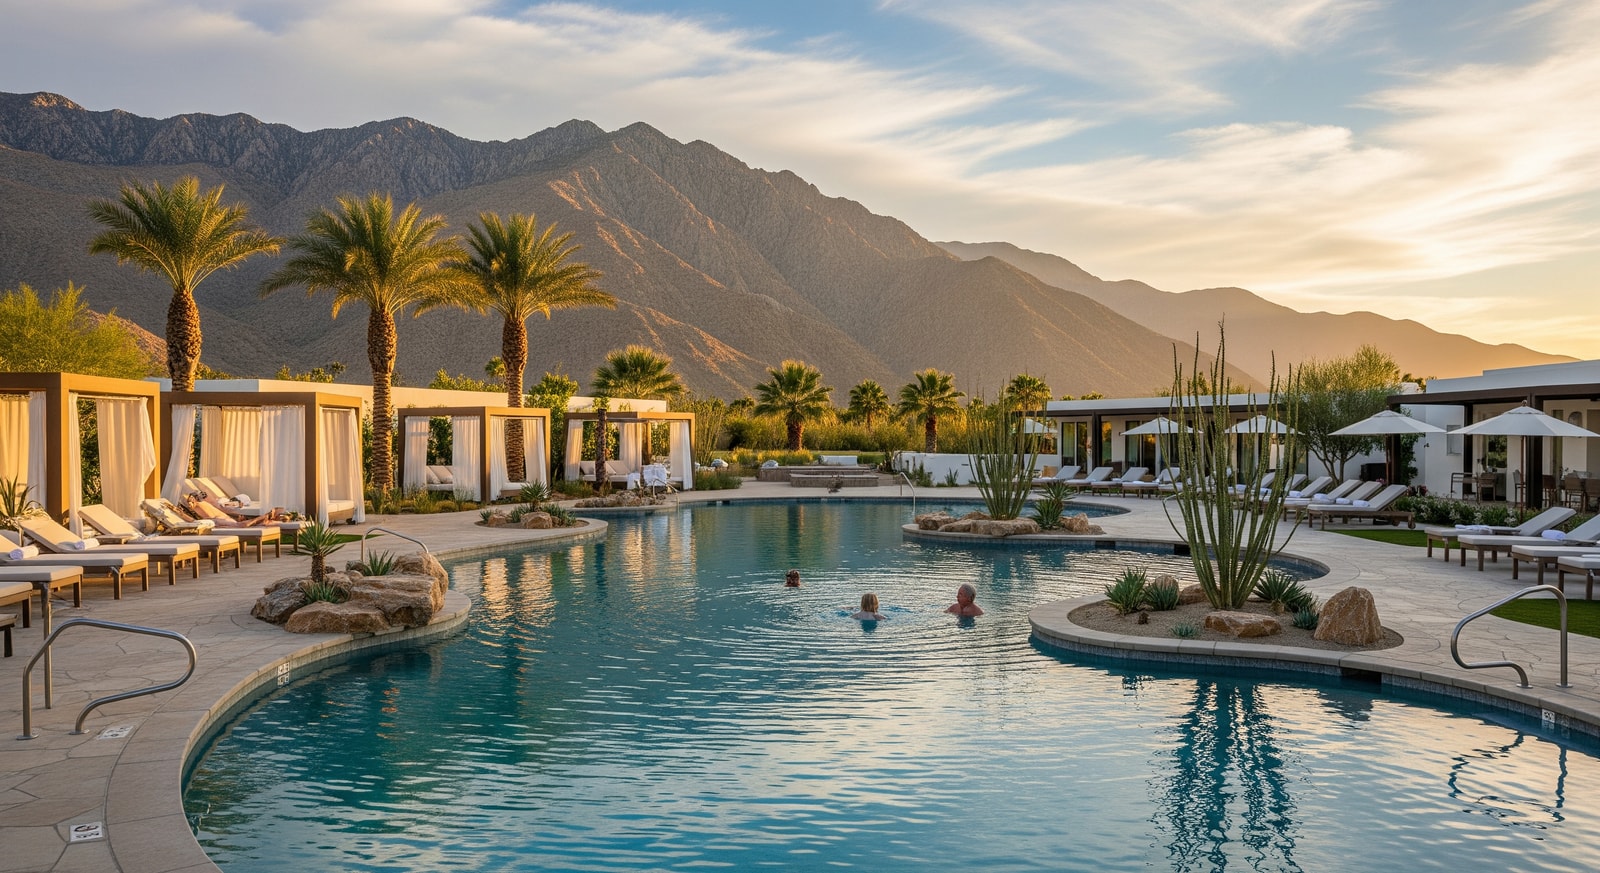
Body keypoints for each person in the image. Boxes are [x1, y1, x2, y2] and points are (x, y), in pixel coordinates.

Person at [184, 492, 287, 527]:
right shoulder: (199, 508)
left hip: (225, 518)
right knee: (243, 524)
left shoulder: (209, 503)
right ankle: (267, 517)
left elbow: (203, 495)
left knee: (244, 523)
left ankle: (269, 518)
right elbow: (192, 520)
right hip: (220, 521)